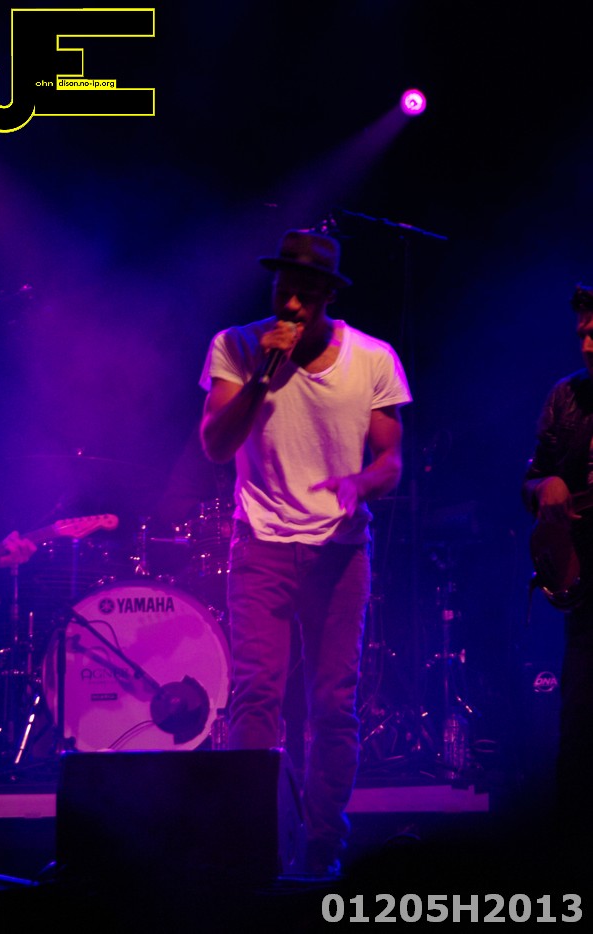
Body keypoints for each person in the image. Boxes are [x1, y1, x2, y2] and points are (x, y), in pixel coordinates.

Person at [199, 228, 413, 877]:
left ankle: (323, 842)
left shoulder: (372, 358)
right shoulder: (237, 347)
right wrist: (261, 378)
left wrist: (359, 483)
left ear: (327, 295)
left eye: (304, 292)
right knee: (255, 695)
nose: (290, 302)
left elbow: (391, 461)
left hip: (339, 552)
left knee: (333, 703)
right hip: (261, 544)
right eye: (282, 287)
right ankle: (256, 840)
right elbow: (215, 444)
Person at [522, 281, 593, 846]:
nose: (587, 344)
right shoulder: (566, 397)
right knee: (580, 725)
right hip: (585, 584)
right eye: (583, 333)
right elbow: (530, 479)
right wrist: (544, 485)